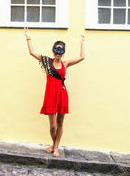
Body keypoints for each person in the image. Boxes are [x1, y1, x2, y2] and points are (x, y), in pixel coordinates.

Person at [24, 27, 85, 157]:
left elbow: (82, 57)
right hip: (51, 95)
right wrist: (28, 37)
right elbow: (32, 53)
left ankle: (55, 147)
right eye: (56, 49)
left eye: (61, 50)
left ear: (63, 52)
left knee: (60, 123)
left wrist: (81, 43)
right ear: (53, 50)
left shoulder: (66, 63)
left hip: (62, 94)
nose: (58, 52)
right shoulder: (47, 62)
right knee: (53, 126)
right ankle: (54, 144)